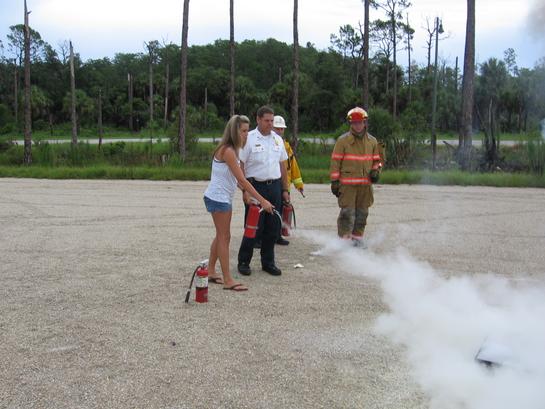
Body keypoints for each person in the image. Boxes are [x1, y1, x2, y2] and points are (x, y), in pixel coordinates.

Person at [204, 115, 274, 291]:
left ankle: (211, 271)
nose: (246, 134)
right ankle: (228, 279)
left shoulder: (232, 150)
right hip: (218, 198)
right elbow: (242, 180)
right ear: (234, 131)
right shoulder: (227, 151)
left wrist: (245, 194)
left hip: (221, 197)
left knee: (221, 235)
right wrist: (263, 200)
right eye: (243, 131)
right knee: (224, 237)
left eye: (247, 131)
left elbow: (236, 180)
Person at [237, 106, 289, 276]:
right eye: (267, 120)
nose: (270, 124)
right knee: (253, 227)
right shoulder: (249, 138)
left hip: (274, 187)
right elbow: (241, 165)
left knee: (273, 228)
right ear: (258, 119)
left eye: (272, 121)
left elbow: (283, 165)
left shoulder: (277, 140)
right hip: (255, 187)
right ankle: (244, 261)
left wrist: (285, 189)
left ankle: (268, 262)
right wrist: (245, 191)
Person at [329, 107, 383, 248]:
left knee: (362, 214)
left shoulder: (372, 141)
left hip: (365, 186)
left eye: (360, 122)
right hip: (347, 186)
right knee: (347, 214)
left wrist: (376, 171)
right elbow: (335, 162)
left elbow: (377, 160)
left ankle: (357, 240)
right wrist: (335, 181)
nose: (357, 125)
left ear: (365, 123)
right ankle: (344, 243)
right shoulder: (342, 141)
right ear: (350, 124)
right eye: (354, 123)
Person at [272, 115, 304, 245]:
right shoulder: (270, 145)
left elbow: (293, 166)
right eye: (277, 129)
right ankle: (265, 237)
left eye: (281, 129)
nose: (279, 131)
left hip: (285, 186)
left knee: (280, 211)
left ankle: (278, 235)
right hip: (273, 184)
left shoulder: (286, 146)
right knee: (271, 212)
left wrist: (299, 185)